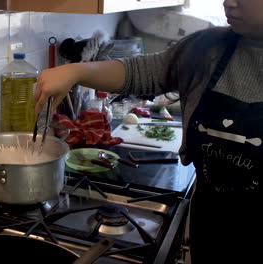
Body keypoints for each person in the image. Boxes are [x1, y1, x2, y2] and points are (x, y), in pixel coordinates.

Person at [35, 0, 261, 262]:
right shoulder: (209, 48)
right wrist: (75, 70)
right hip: (213, 226)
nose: (229, 1)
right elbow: (142, 72)